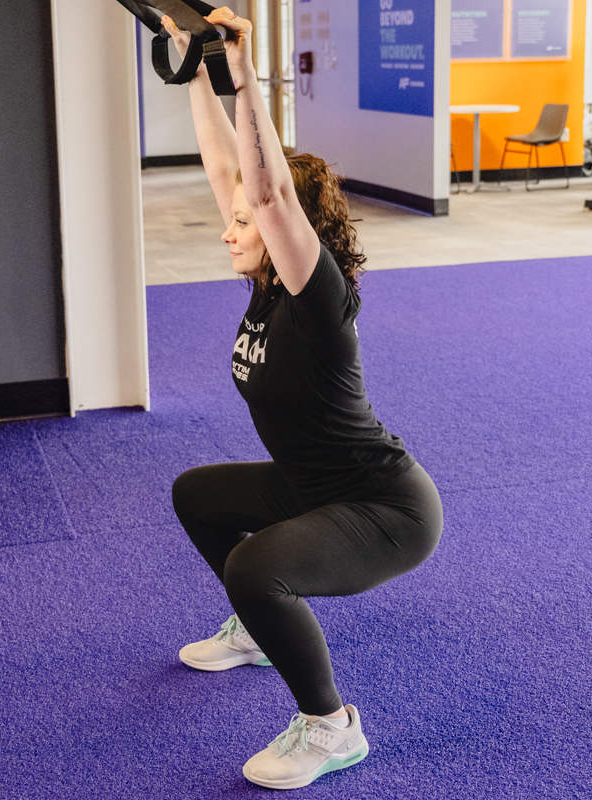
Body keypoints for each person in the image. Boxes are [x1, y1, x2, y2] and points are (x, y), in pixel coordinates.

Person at [162, 8, 444, 791]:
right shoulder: (259, 280)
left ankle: (331, 727)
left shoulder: (318, 299)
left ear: (290, 232)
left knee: (255, 566)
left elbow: (269, 193)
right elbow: (229, 171)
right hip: (309, 481)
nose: (231, 226)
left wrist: (246, 74)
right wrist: (197, 64)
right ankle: (258, 632)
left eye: (247, 222)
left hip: (385, 508)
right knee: (197, 496)